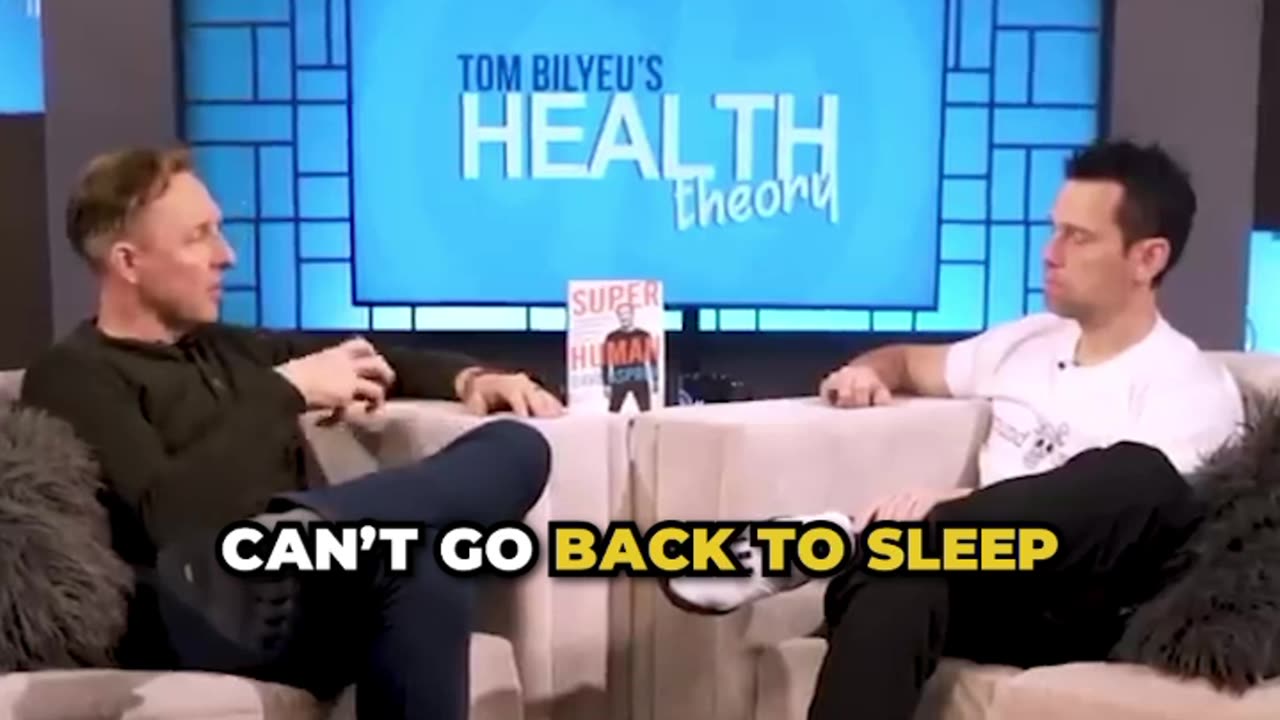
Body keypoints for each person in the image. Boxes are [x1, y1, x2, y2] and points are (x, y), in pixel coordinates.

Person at [661, 140, 1246, 719]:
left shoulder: (1188, 384)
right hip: (979, 583)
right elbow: (906, 360)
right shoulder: (1028, 341)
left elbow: (1144, 522)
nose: (1051, 253)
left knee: (1138, 475)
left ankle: (845, 539)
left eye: (1079, 237)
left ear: (1148, 259)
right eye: (1054, 230)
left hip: (1083, 608)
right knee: (899, 575)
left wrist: (957, 505)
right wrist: (869, 372)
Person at [20, 147, 565, 720]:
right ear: (129, 262)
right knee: (414, 550)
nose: (226, 255)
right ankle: (318, 524)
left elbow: (367, 355)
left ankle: (316, 522)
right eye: (199, 237)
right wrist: (286, 391)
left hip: (304, 579)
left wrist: (471, 378)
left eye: (219, 231)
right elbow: (169, 518)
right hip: (201, 604)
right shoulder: (75, 374)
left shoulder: (226, 348)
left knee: (513, 452)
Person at [601, 303, 659, 412]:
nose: (624, 317)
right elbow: (605, 362)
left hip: (639, 378)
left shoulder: (643, 335)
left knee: (646, 412)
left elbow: (652, 360)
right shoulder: (612, 337)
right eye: (621, 314)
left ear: (632, 314)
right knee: (613, 412)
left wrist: (655, 380)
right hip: (619, 379)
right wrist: (606, 384)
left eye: (626, 313)